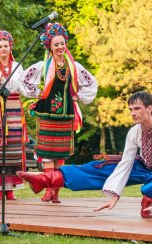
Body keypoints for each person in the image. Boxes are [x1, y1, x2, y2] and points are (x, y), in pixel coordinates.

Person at [17, 91, 152, 218]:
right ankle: (44, 180)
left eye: (137, 108)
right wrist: (114, 195)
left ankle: (149, 199)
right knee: (98, 168)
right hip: (142, 167)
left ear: (149, 108)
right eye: (131, 109)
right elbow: (125, 164)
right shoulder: (134, 132)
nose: (133, 113)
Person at [20, 22, 97, 203]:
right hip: (47, 113)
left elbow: (91, 82)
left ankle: (56, 192)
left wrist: (78, 96)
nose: (60, 47)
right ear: (50, 46)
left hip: (66, 114)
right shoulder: (43, 66)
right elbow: (25, 79)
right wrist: (36, 93)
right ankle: (48, 190)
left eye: (62, 43)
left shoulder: (73, 66)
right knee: (47, 153)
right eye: (56, 44)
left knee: (60, 155)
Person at [0, 30, 28, 200]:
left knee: (14, 147)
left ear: (10, 47)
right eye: (0, 46)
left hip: (14, 107)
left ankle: (11, 188)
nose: (3, 49)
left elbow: (23, 86)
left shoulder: (18, 66)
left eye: (5, 46)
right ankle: (0, 188)